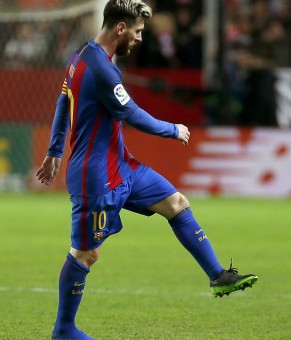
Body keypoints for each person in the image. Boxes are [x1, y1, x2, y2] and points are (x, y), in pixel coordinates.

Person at [35, 1, 258, 339]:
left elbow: (62, 100)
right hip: (96, 178)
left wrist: (54, 150)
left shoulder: (81, 57)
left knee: (176, 203)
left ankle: (217, 276)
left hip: (122, 166)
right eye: (138, 31)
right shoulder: (101, 70)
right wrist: (173, 129)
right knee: (85, 253)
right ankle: (64, 330)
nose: (140, 38)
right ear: (121, 28)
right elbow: (133, 114)